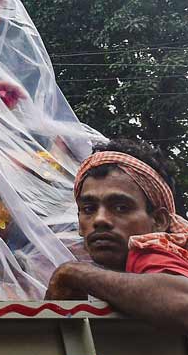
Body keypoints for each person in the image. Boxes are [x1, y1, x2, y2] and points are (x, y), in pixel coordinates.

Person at [45, 139, 188, 332]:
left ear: (159, 222)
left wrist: (74, 273)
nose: (100, 219)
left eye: (121, 208)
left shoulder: (151, 251)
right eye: (88, 209)